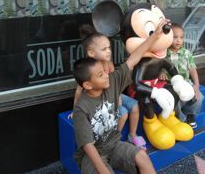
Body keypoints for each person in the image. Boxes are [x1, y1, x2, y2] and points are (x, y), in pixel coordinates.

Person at [72, 19, 168, 174]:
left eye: (104, 72)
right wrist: (103, 170)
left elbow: (133, 59)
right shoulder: (81, 108)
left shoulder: (112, 82)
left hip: (114, 144)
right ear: (88, 85)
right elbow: (88, 146)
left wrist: (154, 36)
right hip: (93, 155)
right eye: (100, 75)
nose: (106, 76)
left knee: (142, 156)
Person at [72, 32, 147, 150]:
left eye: (109, 48)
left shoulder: (109, 64)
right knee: (123, 113)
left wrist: (118, 97)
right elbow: (78, 91)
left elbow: (113, 83)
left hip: (115, 94)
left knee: (134, 105)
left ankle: (132, 134)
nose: (108, 51)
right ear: (91, 53)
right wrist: (74, 110)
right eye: (104, 49)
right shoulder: (88, 70)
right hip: (102, 101)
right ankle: (114, 140)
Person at [159, 23, 204, 128]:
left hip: (186, 83)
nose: (178, 40)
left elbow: (192, 69)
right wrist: (160, 73)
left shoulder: (187, 53)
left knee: (199, 97)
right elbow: (158, 67)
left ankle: (190, 115)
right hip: (170, 85)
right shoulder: (164, 53)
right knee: (174, 99)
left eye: (181, 37)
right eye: (175, 37)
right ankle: (180, 118)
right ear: (168, 37)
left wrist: (196, 85)